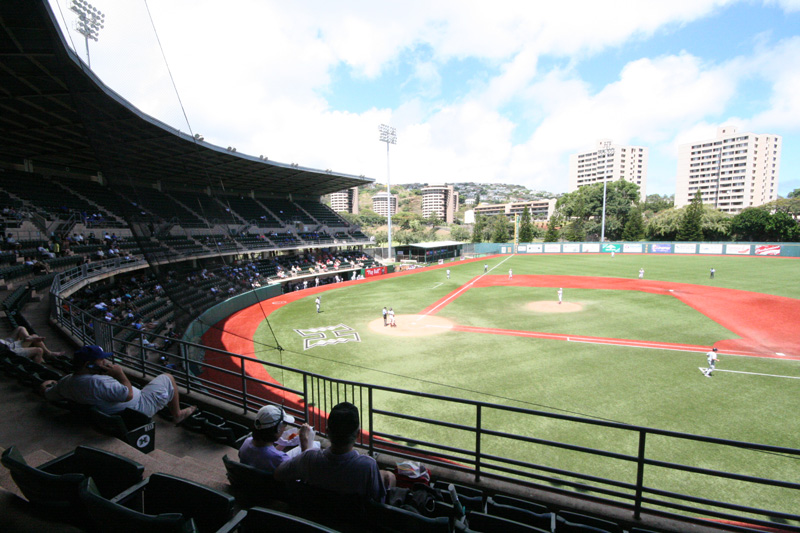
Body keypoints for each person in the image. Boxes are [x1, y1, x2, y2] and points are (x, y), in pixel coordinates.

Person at [274, 402, 395, 501]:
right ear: (358, 434)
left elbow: (279, 474)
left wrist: (306, 449)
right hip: (351, 523)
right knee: (389, 477)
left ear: (327, 431)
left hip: (316, 519)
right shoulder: (368, 466)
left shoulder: (309, 458)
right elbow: (379, 499)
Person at [41, 345, 196, 422]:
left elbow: (48, 394)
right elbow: (128, 395)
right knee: (168, 377)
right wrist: (120, 374)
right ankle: (178, 414)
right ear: (88, 364)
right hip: (138, 409)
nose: (105, 361)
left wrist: (46, 384)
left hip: (116, 411)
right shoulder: (98, 383)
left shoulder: (66, 381)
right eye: (101, 359)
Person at [239, 405, 316, 473]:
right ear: (278, 428)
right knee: (314, 447)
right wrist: (304, 442)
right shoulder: (280, 459)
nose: (285, 427)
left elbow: (267, 453)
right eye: (284, 424)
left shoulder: (246, 442)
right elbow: (305, 470)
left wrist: (285, 443)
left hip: (254, 484)